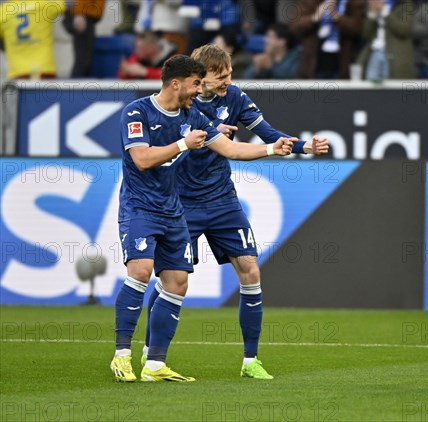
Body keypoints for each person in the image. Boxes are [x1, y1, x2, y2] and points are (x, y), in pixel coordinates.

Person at [141, 44, 329, 380]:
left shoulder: (237, 98)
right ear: (199, 77)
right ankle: (152, 353)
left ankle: (250, 360)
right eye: (220, 77)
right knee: (173, 280)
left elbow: (269, 135)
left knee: (250, 270)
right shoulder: (180, 103)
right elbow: (166, 151)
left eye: (230, 74)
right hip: (181, 202)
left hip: (222, 200)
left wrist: (304, 147)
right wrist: (210, 132)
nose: (228, 81)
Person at [111, 54, 294, 383]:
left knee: (178, 282)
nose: (199, 91)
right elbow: (140, 159)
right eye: (195, 84)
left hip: (174, 209)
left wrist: (271, 149)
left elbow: (230, 149)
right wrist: (182, 144)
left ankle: (154, 365)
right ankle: (122, 354)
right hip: (141, 205)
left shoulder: (192, 115)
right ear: (176, 83)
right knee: (140, 269)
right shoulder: (136, 112)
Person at [290, 0, 365, 79]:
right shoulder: (309, 2)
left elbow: (358, 29)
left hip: (342, 63)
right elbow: (295, 27)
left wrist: (336, 17)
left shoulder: (353, 3)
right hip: (313, 64)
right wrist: (314, 17)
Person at [0, 0, 67, 79]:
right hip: (44, 69)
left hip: (18, 71)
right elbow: (72, 4)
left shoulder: (3, 12)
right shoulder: (44, 5)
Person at [356, 0, 416, 81]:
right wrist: (372, 14)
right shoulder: (375, 3)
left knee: (392, 89)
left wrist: (384, 11)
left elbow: (404, 30)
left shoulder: (405, 5)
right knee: (370, 89)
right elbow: (365, 34)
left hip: (395, 54)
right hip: (374, 52)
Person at [62, 0, 106, 77]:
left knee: (83, 62)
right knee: (83, 62)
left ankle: (75, 84)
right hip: (82, 15)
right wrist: (77, 13)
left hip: (82, 15)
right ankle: (75, 86)